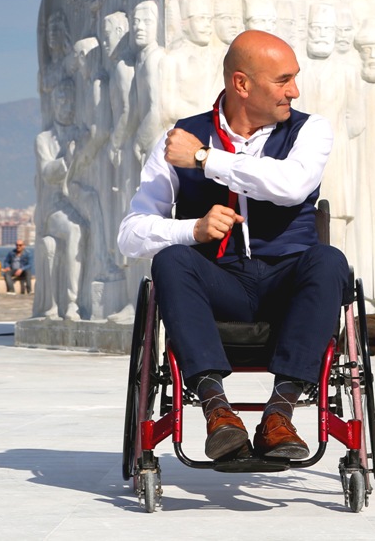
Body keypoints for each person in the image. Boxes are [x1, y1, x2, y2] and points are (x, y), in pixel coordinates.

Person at [118, 30, 351, 462]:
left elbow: (290, 185)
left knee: (329, 260)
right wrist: (192, 230)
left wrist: (207, 160)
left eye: (294, 79)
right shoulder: (178, 139)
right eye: (283, 80)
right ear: (242, 84)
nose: (294, 91)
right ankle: (217, 411)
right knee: (170, 260)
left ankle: (279, 413)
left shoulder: (309, 130)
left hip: (287, 285)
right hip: (217, 287)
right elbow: (130, 234)